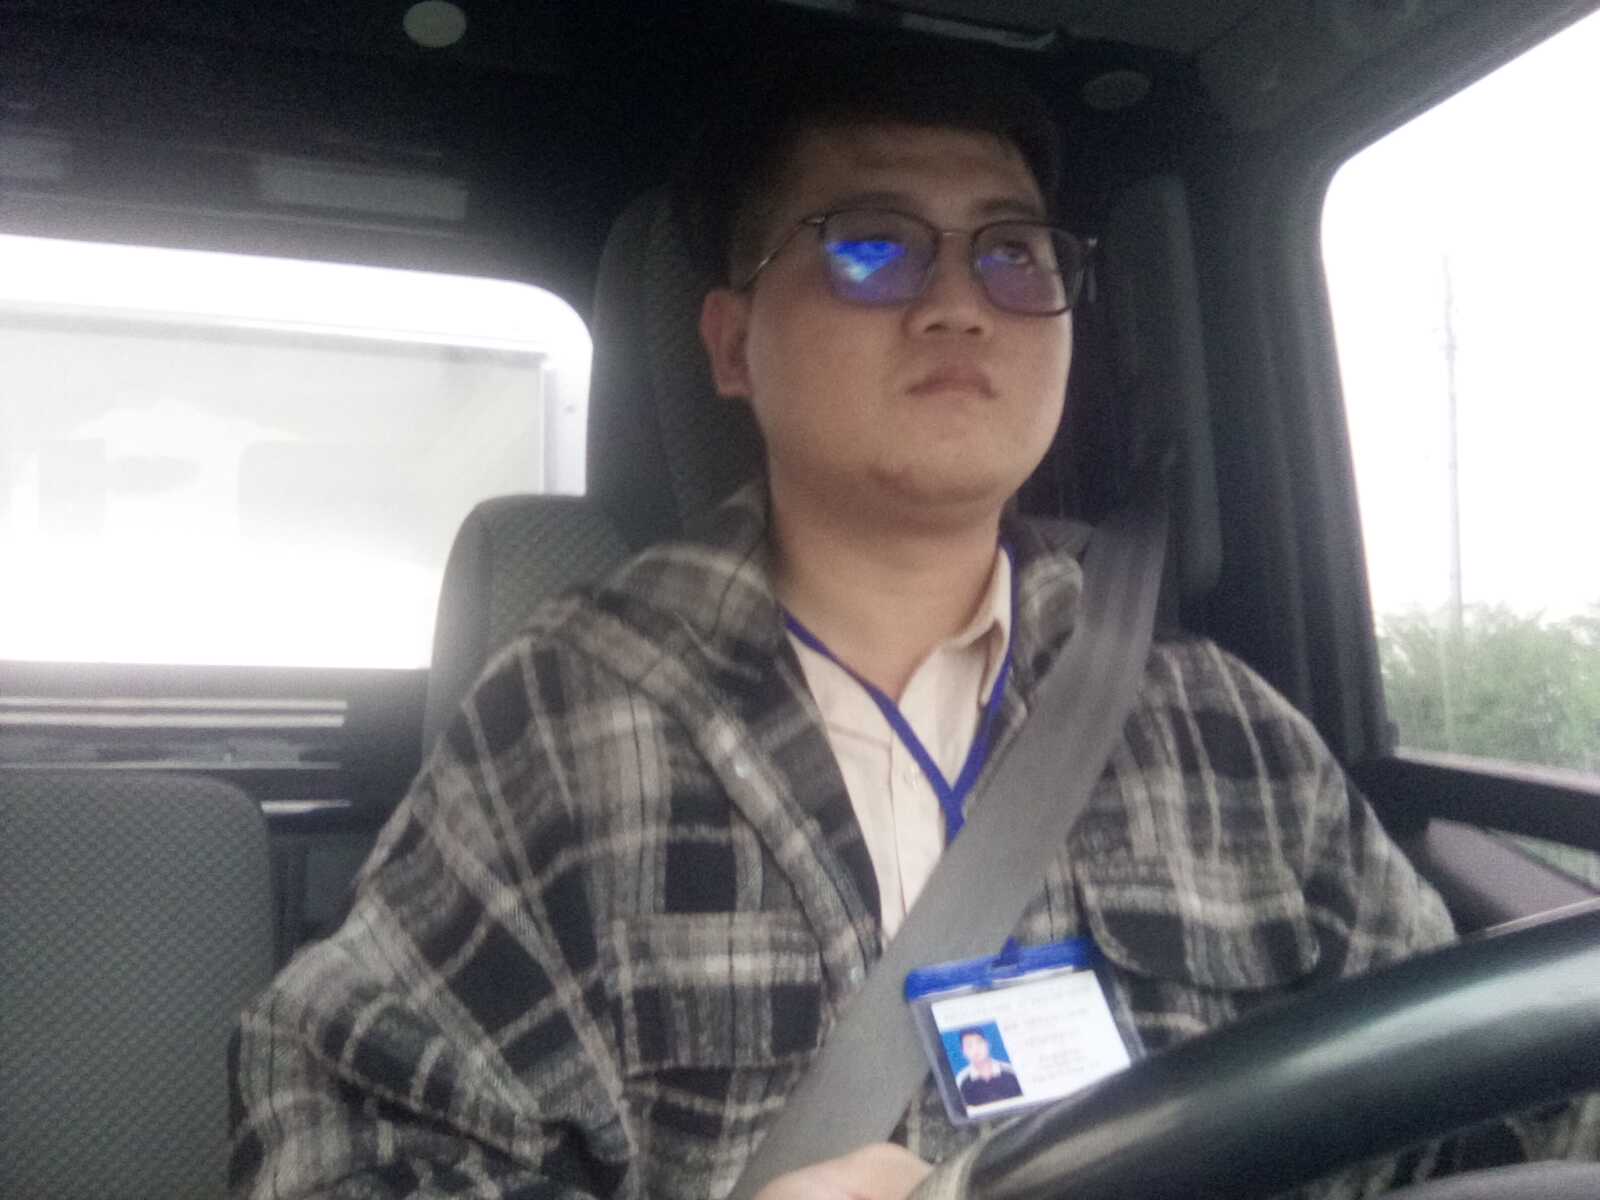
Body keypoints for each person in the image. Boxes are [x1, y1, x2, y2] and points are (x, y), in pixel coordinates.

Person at [228, 39, 1591, 1200]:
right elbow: (338, 1145)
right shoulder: (571, 718)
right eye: (871, 247)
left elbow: (1472, 1104)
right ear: (731, 345)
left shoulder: (1224, 730)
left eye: (1012, 252)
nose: (956, 305)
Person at [954, 1029, 1023, 1109]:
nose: (975, 1049)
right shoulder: (960, 1080)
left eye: (979, 1043)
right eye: (969, 1046)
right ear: (963, 1052)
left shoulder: (1011, 1071)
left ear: (987, 1044)